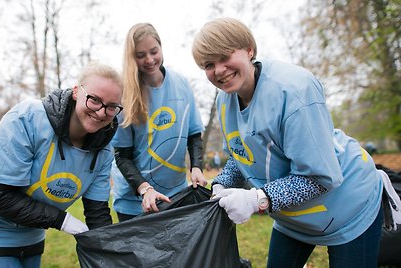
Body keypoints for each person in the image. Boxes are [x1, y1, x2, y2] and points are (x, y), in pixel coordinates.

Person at [192, 17, 401, 267]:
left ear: (249, 49)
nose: (219, 70)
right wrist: (221, 185)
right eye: (208, 64)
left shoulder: (294, 91)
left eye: (225, 56)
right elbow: (243, 156)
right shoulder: (224, 100)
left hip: (348, 205)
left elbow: (320, 176)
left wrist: (257, 198)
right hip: (295, 214)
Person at [0, 63, 123, 268]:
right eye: (94, 100)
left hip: (27, 230)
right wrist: (64, 221)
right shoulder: (28, 118)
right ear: (76, 92)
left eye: (111, 107)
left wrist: (108, 253)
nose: (102, 113)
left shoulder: (104, 150)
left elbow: (98, 214)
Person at [111, 22, 206, 222]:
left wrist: (196, 166)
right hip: (136, 201)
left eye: (154, 51)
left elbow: (194, 134)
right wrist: (145, 189)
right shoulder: (125, 95)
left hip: (176, 196)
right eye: (140, 55)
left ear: (161, 48)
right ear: (131, 58)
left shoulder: (181, 84)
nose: (149, 60)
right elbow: (122, 157)